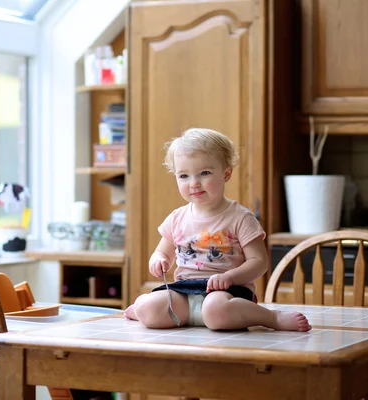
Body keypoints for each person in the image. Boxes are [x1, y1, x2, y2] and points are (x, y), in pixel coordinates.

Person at [124, 128, 311, 332]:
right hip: (184, 293)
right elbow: (162, 252)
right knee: (150, 307)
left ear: (226, 174)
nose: (194, 183)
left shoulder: (241, 218)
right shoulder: (177, 218)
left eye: (204, 173)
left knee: (216, 311)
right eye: (184, 175)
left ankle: (272, 318)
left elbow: (260, 263)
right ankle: (143, 308)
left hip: (227, 292)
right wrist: (158, 260)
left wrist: (230, 277)